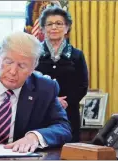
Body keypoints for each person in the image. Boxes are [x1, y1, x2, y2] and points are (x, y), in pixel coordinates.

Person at [35, 6, 89, 142]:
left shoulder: (77, 55)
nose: (54, 27)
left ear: (67, 28)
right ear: (42, 28)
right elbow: (29, 81)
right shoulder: (34, 54)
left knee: (70, 150)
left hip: (69, 112)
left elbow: (82, 85)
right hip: (40, 110)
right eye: (49, 24)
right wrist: (52, 100)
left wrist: (65, 102)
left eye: (59, 23)